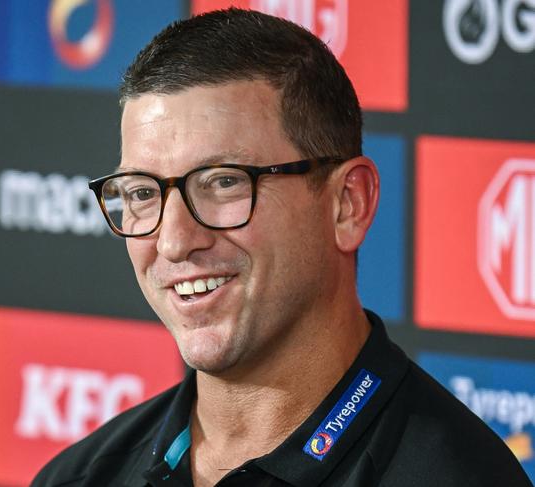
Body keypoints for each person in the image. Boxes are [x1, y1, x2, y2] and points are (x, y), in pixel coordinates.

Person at [31, 8, 531, 487]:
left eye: (223, 182)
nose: (174, 240)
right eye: (142, 192)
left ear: (347, 205)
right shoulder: (78, 477)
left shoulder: (461, 477)